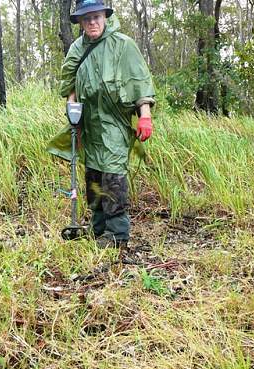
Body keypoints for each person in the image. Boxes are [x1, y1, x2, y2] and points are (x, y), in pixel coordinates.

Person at [58, 0, 155, 249]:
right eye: (87, 18)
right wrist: (73, 114)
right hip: (88, 123)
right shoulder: (77, 49)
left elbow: (140, 82)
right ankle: (98, 227)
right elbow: (69, 85)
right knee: (93, 174)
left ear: (105, 17)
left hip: (114, 122)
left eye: (97, 17)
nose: (92, 22)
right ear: (80, 22)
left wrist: (144, 116)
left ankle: (117, 234)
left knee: (112, 175)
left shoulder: (122, 45)